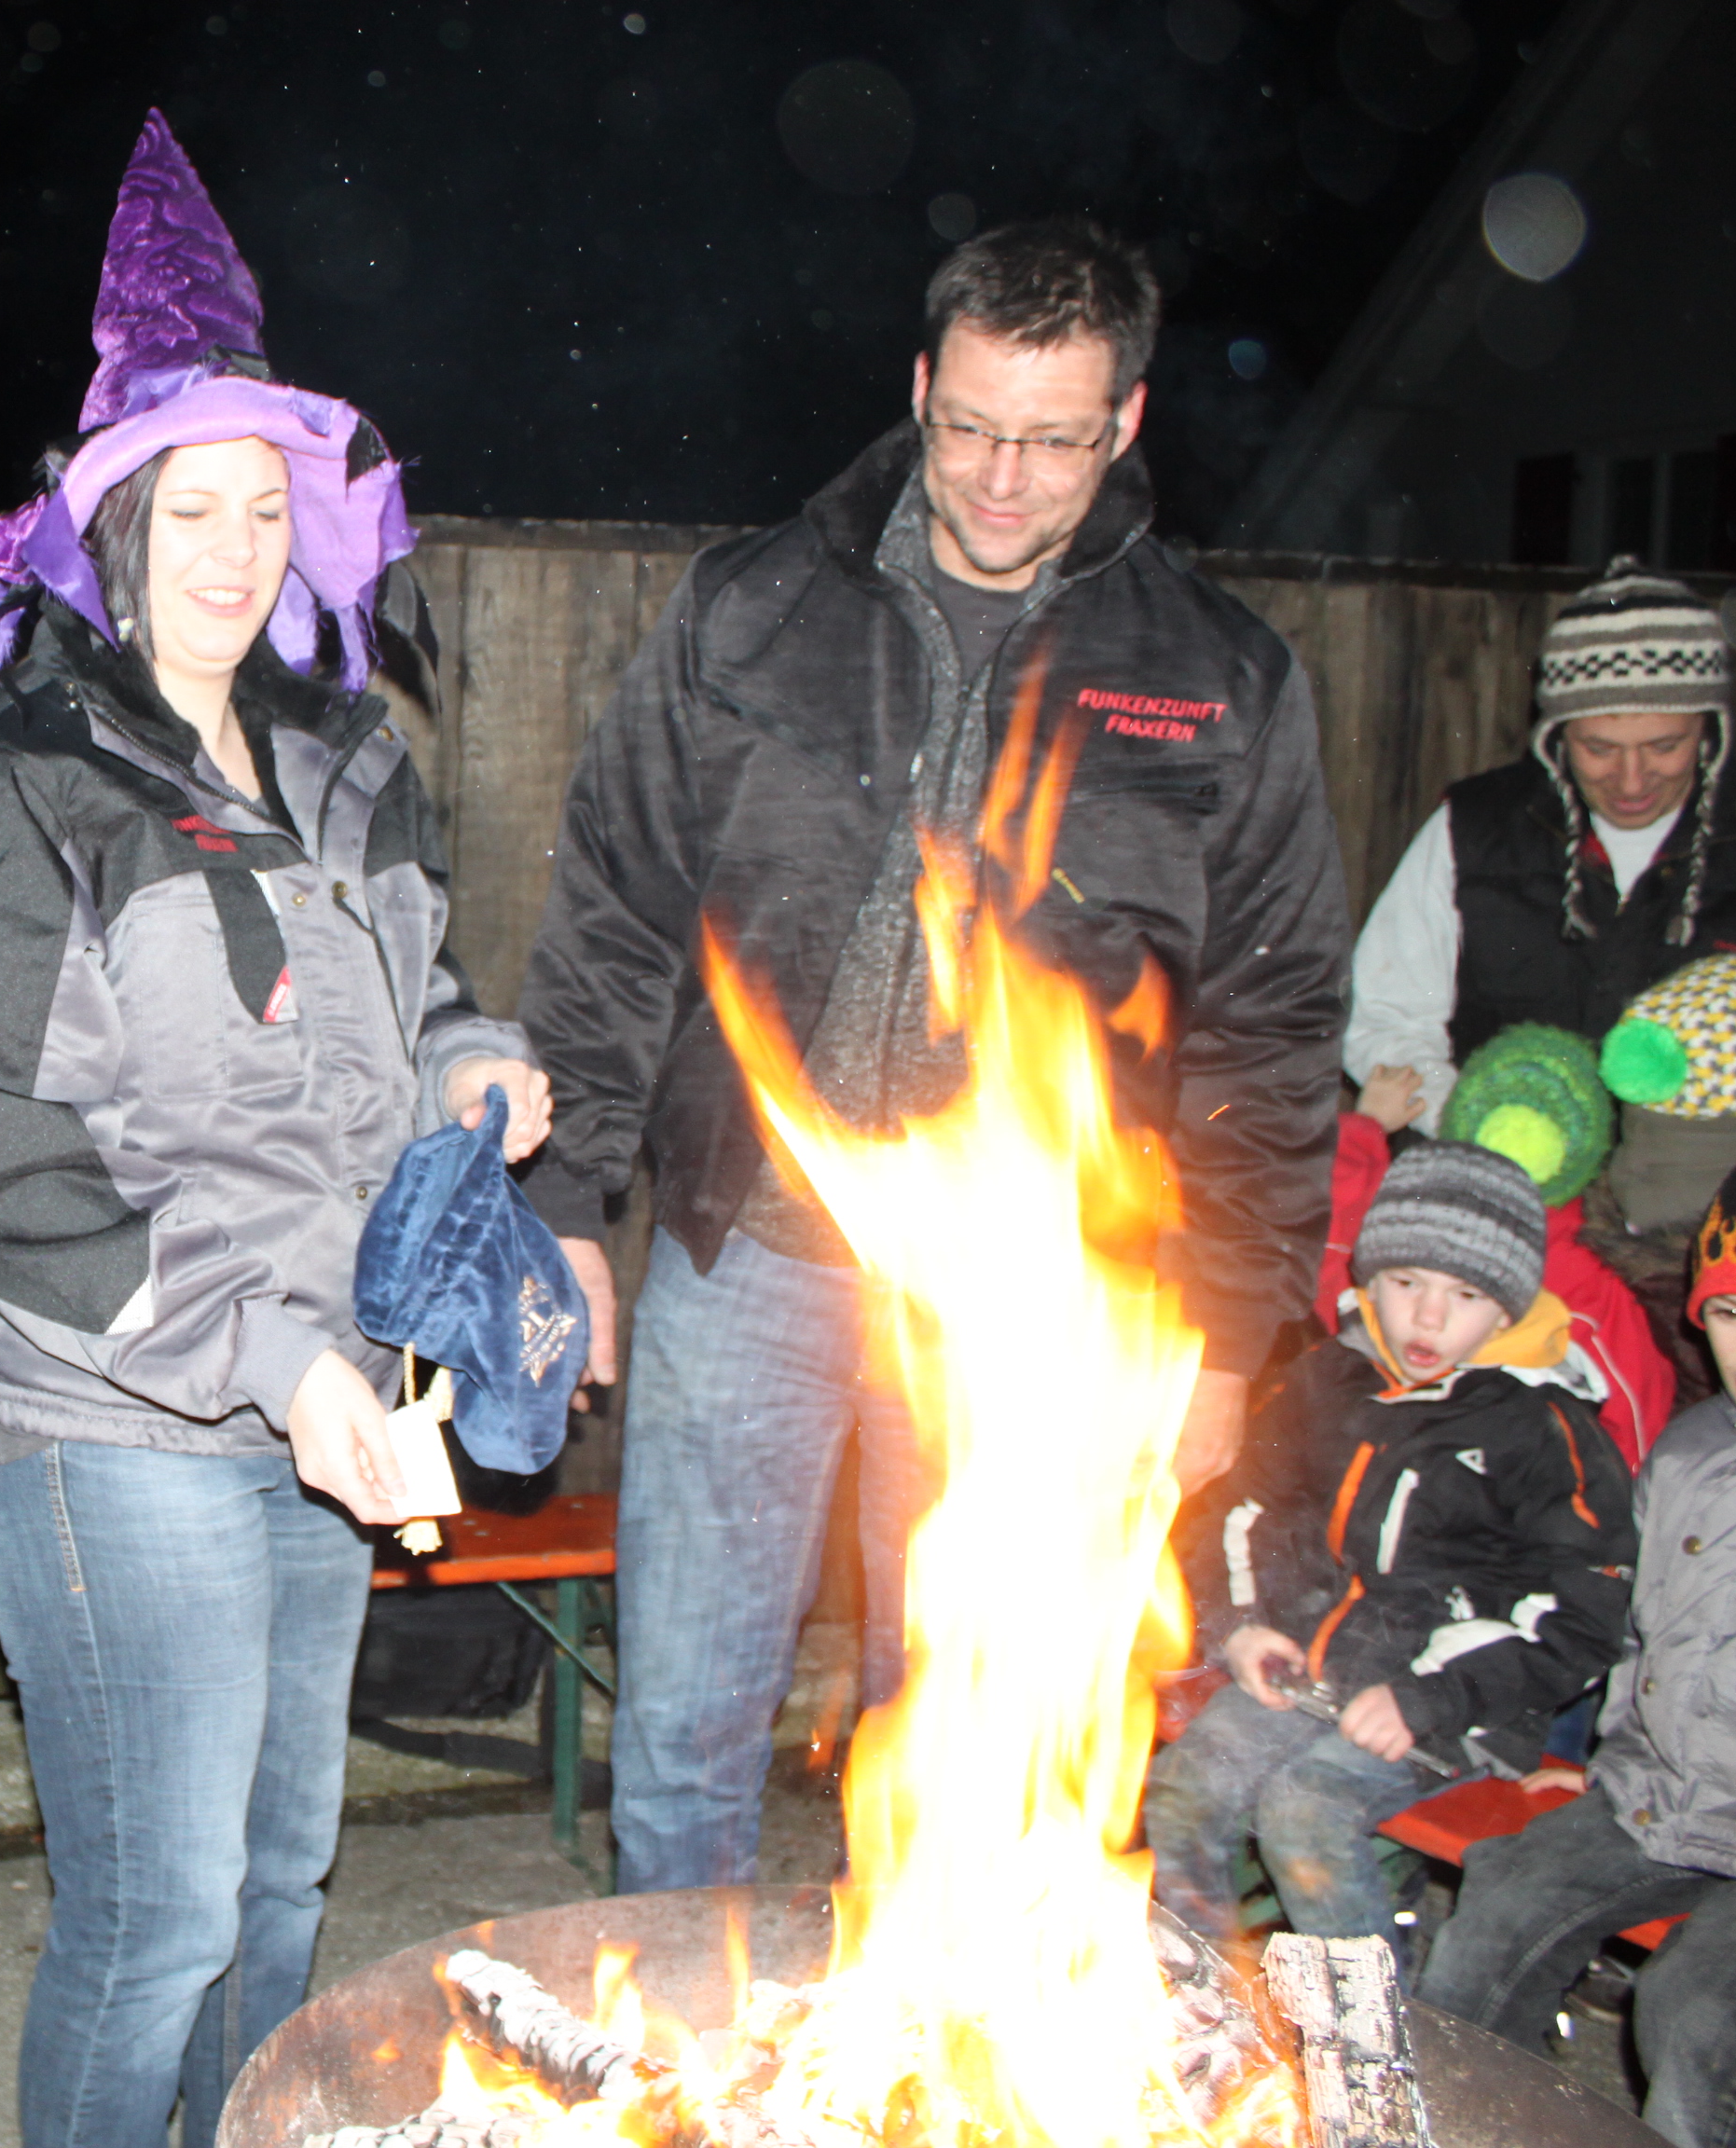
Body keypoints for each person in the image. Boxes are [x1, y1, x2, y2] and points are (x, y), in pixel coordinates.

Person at [514, 215, 1351, 1893]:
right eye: (968, 426)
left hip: (1028, 1294)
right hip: (752, 1248)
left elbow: (1270, 1030)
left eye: (1053, 440)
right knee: (684, 1724)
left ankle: (926, 2025)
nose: (1001, 478)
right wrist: (560, 1201)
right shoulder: (749, 610)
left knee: (964, 1722)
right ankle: (676, 2025)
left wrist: (1225, 1335)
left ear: (1126, 421)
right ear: (918, 389)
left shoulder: (1218, 677)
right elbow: (615, 909)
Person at [0, 116, 546, 2148]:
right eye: (195, 508)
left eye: (269, 508)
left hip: (321, 1385)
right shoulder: (17, 786)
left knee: (277, 1890)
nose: (238, 549)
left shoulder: (349, 760)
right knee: (158, 1914)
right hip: (108, 1414)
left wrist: (475, 1063)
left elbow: (415, 999)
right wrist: (276, 1358)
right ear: (113, 524)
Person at [1146, 1142, 1637, 1958]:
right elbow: (1245, 1505)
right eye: (1407, 1283)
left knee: (1306, 1815)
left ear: (1508, 1310)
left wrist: (1428, 1697)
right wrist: (1242, 1626)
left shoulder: (1542, 1428)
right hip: (1308, 1668)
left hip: (1455, 1708)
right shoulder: (1329, 1376)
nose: (1429, 1319)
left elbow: (1583, 1613)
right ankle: (1199, 1988)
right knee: (1184, 1789)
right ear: (1371, 1281)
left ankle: (1365, 2024)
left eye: (1466, 1294)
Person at [1418, 1149, 1736, 2148]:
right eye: (1732, 1314)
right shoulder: (1691, 1449)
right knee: (1499, 1904)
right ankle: (1454, 2124)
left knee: (1703, 2015)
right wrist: (1597, 1759)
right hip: (1663, 1793)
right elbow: (1645, 1630)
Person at [1343, 558, 1736, 1128]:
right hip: (1490, 1155)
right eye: (1599, 749)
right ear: (1555, 735)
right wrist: (1480, 1125)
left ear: (1709, 729)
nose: (1632, 781)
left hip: (1701, 1174)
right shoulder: (1471, 828)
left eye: (1664, 746)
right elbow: (1387, 1019)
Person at [1328, 1025, 1668, 1465]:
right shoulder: (1595, 1288)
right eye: (1408, 1284)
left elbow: (1329, 1249)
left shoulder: (1405, 1224)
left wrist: (1365, 1130)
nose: (1430, 1317)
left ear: (1459, 1117)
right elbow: (1636, 1426)